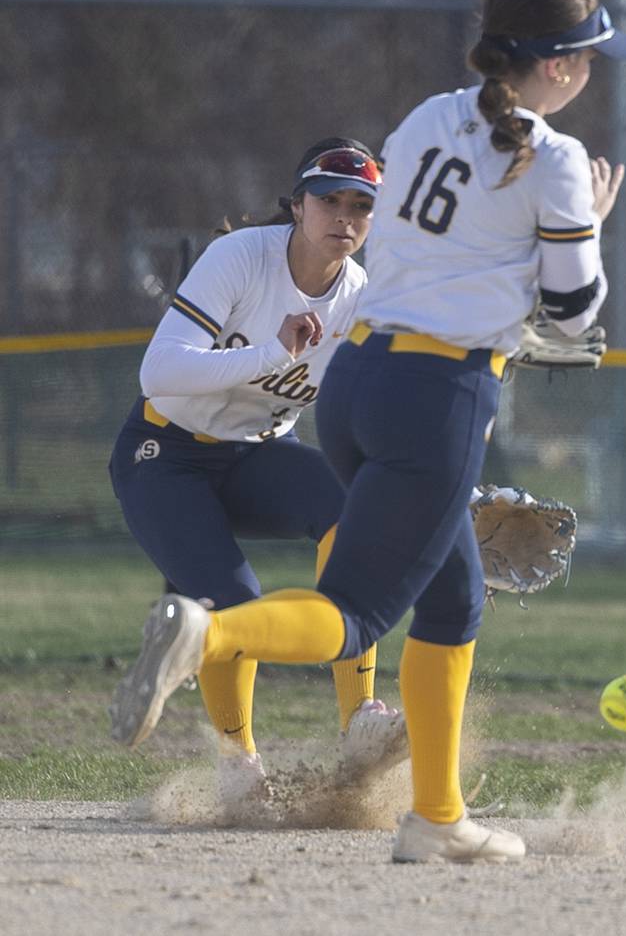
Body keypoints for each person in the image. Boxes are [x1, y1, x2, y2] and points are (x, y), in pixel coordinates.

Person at [110, 0, 626, 861]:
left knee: (454, 598)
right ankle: (212, 632)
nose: (591, 69)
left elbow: (425, 262)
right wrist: (587, 221)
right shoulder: (550, 161)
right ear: (555, 66)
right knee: (354, 609)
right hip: (437, 390)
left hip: (359, 380)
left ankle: (435, 814)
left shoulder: (429, 118)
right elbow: (576, 316)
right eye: (586, 55)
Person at [109, 137, 406, 802]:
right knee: (235, 605)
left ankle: (360, 718)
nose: (346, 216)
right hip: (163, 454)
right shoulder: (241, 257)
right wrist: (271, 353)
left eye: (362, 205)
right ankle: (239, 767)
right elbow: (159, 372)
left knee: (351, 508)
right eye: (330, 198)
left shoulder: (359, 297)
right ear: (297, 204)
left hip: (253, 452)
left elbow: (370, 411)